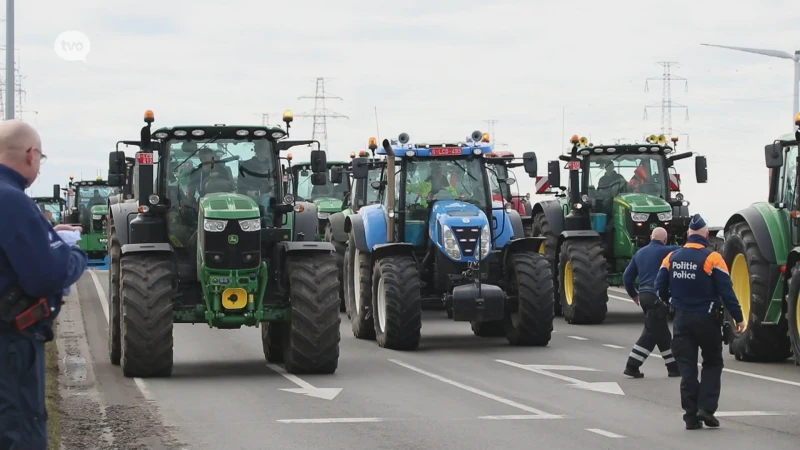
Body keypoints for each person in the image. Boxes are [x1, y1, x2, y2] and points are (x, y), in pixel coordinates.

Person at [0, 119, 88, 449]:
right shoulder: (12, 201)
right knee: (19, 429)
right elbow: (47, 275)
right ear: (31, 155)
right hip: (11, 345)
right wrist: (72, 252)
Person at [655, 214, 746, 430]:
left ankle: (690, 416)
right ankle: (705, 408)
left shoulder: (672, 257)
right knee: (713, 363)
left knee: (687, 368)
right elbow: (727, 291)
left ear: (688, 235)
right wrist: (738, 317)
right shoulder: (713, 258)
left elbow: (659, 289)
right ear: (706, 234)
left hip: (681, 319)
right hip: (707, 319)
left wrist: (673, 303)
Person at [622, 227, 680, 378]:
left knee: (662, 334)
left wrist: (634, 295)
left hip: (644, 296)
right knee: (650, 333)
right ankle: (632, 366)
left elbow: (627, 278)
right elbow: (688, 251)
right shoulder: (670, 251)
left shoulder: (639, 253)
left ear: (650, 237)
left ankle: (673, 367)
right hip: (658, 297)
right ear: (665, 240)